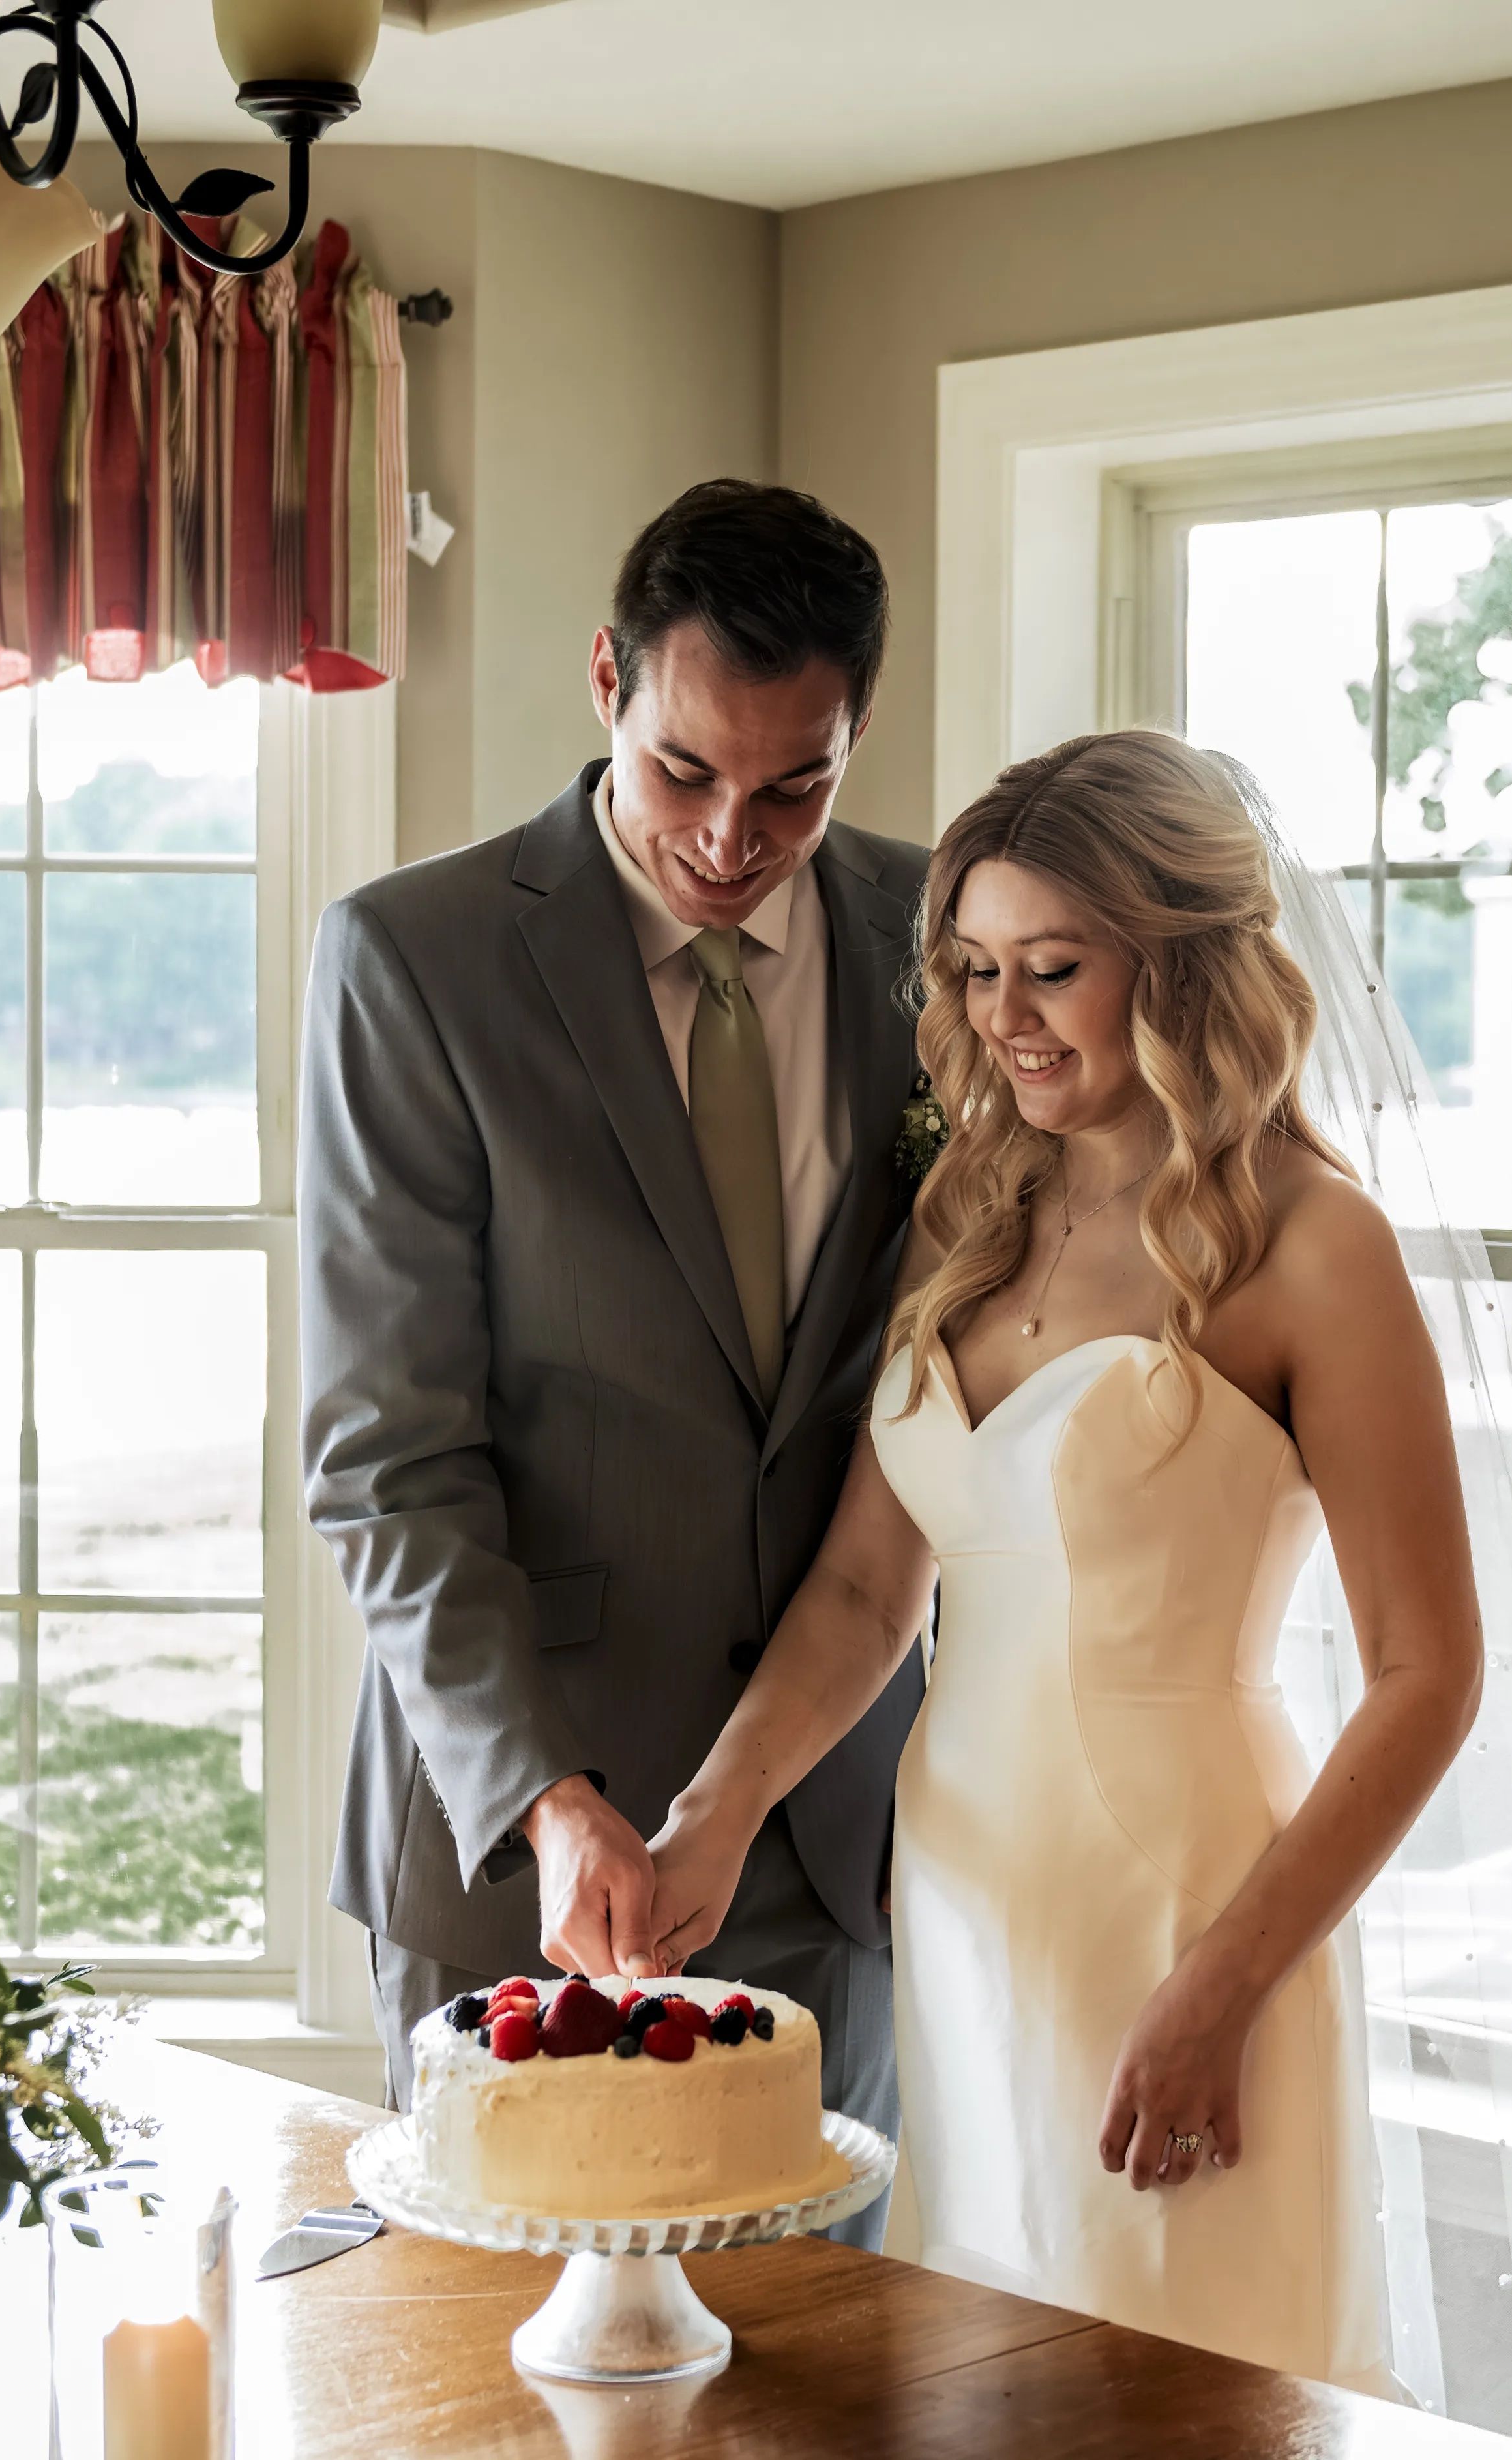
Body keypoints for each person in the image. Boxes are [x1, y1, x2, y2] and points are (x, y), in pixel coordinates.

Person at [640, 730, 1496, 2385]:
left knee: (1181, 2391)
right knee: (981, 2388)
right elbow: (868, 1590)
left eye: (1053, 969)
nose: (1002, 1017)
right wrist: (716, 1811)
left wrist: (1223, 1988)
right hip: (965, 1905)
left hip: (1191, 1914)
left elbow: (1427, 1675)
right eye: (975, 971)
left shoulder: (1315, 1245)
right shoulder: (967, 1208)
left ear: (1179, 966)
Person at [299, 480, 928, 2243]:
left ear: (856, 733)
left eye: (796, 785)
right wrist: (544, 1798)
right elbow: (387, 1458)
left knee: (813, 2357)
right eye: (684, 769)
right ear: (606, 681)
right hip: (513, 1843)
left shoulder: (943, 939)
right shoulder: (416, 958)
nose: (732, 835)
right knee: (494, 2363)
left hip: (825, 1834)